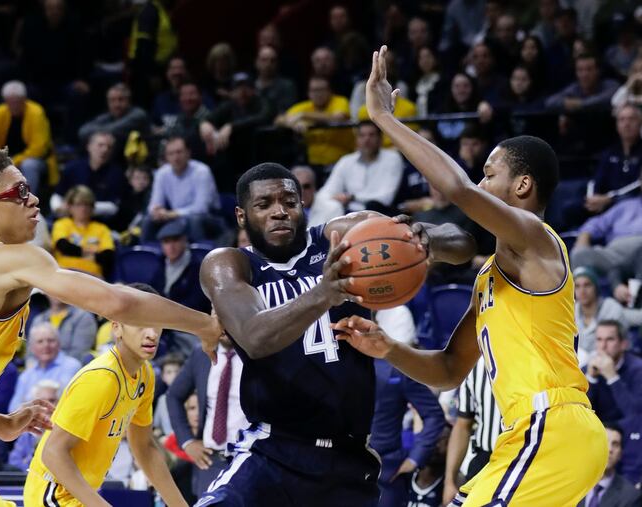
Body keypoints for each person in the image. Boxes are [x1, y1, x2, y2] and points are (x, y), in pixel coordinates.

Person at [334, 45, 608, 506]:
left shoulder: (537, 238)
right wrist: (389, 348)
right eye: (481, 176)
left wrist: (384, 118)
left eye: (490, 173)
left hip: (552, 425)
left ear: (521, 186)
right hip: (520, 437)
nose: (480, 184)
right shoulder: (489, 279)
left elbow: (457, 189)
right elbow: (447, 371)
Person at [0, 145, 222, 505]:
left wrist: (3, 425)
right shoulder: (8, 259)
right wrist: (204, 324)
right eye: (19, 192)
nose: (35, 200)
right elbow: (118, 302)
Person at [196, 162, 475, 505]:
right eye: (264, 205)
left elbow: (462, 243)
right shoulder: (229, 264)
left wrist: (422, 239)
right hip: (272, 452)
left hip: (348, 458)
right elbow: (255, 339)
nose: (279, 212)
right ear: (241, 216)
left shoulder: (343, 238)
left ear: (303, 205)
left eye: (289, 201)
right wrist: (324, 293)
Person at [23, 283, 189, 507]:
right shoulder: (100, 379)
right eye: (140, 323)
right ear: (116, 327)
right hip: (52, 496)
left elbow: (145, 449)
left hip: (80, 494)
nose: (151, 334)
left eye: (156, 323)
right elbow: (52, 453)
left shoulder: (145, 374)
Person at [167, 336, 249, 497]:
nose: (223, 324)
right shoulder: (201, 355)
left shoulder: (259, 355)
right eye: (218, 315)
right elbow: (173, 396)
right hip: (210, 462)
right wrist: (187, 441)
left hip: (249, 459)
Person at [370, 361, 446, 506]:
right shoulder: (331, 366)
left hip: (388, 470)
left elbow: (434, 415)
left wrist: (415, 458)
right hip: (337, 464)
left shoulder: (397, 368)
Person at [443, 358, 502, 505]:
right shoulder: (475, 363)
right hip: (485, 459)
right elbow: (462, 425)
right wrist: (449, 480)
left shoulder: (538, 355)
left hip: (528, 460)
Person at [316, 121, 405, 216]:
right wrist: (331, 200)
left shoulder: (392, 158)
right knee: (329, 206)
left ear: (380, 139)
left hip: (380, 213)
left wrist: (352, 197)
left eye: (371, 135)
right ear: (356, 140)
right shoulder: (346, 161)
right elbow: (326, 192)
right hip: (349, 213)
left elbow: (386, 198)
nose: (367, 139)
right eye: (362, 135)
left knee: (373, 206)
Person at [0, 80, 58, 192]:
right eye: (11, 102)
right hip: (7, 157)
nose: (14, 105)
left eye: (17, 101)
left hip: (36, 159)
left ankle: (26, 202)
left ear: (24, 99)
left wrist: (16, 160)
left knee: (28, 165)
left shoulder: (36, 112)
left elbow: (39, 148)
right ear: (5, 101)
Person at [8, 323, 81, 412]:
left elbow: (69, 401)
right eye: (40, 341)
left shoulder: (72, 366)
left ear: (59, 343)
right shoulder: (26, 375)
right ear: (32, 348)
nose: (46, 345)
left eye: (51, 340)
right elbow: (13, 408)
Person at [52, 185, 115, 279]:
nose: (83, 209)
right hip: (65, 272)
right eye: (78, 204)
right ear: (69, 206)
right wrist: (92, 254)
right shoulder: (62, 224)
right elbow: (63, 247)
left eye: (87, 204)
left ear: (92, 207)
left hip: (93, 277)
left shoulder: (102, 228)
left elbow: (107, 256)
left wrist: (77, 251)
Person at [586, 320, 642, 425]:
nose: (603, 346)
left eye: (610, 339)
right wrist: (591, 379)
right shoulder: (588, 369)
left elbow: (635, 415)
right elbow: (580, 413)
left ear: (623, 344)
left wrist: (613, 378)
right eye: (599, 339)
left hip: (627, 433)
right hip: (597, 431)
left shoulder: (638, 370)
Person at [578, 424, 641, 507]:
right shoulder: (573, 485)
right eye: (604, 441)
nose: (610, 449)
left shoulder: (631, 496)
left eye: (615, 444)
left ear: (620, 454)